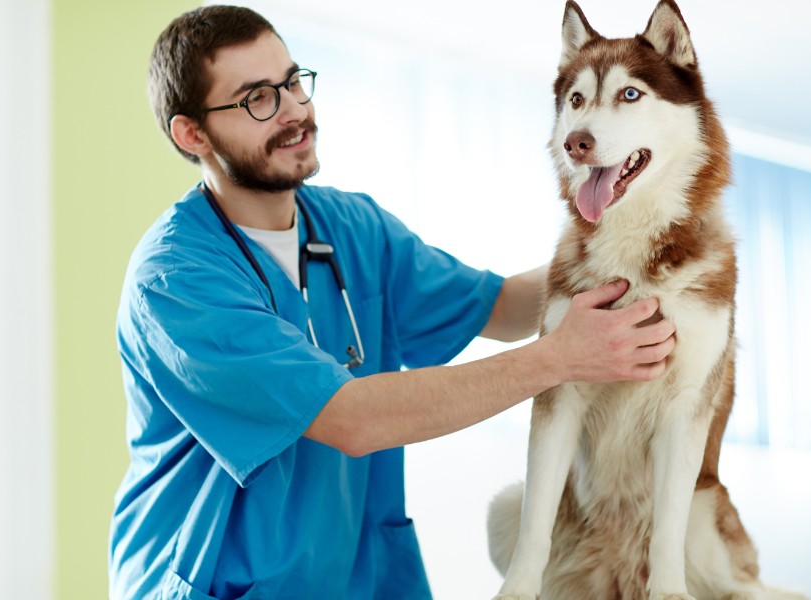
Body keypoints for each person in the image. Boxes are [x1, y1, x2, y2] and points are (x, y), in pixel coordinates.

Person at [108, 5, 676, 600]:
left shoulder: (353, 227)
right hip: (218, 584)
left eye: (294, 82)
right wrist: (561, 358)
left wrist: (632, 247)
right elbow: (353, 419)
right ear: (192, 134)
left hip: (357, 579)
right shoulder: (175, 280)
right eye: (257, 99)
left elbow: (505, 307)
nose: (296, 110)